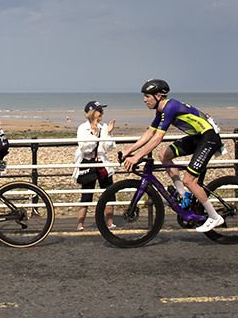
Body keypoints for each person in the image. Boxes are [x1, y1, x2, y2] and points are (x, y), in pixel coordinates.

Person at [121, 80, 225, 233]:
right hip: (197, 137)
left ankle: (215, 217)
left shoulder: (170, 107)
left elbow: (157, 138)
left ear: (158, 96)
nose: (144, 100)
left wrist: (137, 157)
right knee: (164, 155)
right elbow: (149, 133)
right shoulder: (161, 110)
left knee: (189, 180)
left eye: (147, 96)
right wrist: (128, 151)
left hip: (208, 138)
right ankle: (183, 195)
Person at [72, 100, 116, 231]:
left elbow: (110, 147)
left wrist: (108, 133)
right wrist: (95, 135)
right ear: (92, 113)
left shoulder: (103, 127)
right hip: (87, 163)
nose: (102, 112)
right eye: (99, 110)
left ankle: (110, 223)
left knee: (108, 193)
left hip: (101, 163)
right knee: (86, 195)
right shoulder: (82, 128)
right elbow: (85, 149)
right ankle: (80, 225)